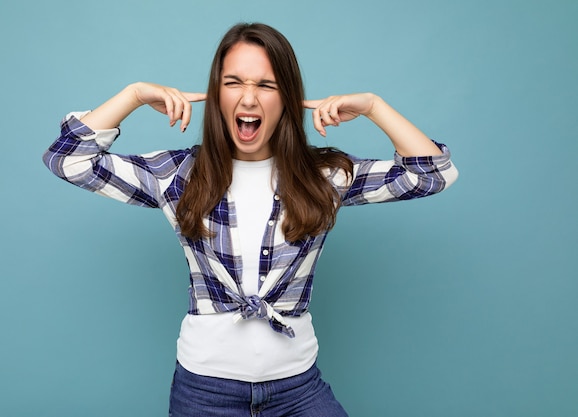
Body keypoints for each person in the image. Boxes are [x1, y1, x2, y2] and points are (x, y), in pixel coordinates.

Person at [43, 22, 458, 417]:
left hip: (298, 389)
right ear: (216, 94)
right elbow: (67, 158)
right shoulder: (177, 176)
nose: (248, 98)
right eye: (234, 82)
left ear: (288, 98)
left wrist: (372, 106)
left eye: (266, 84)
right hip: (204, 392)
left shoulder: (326, 177)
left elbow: (433, 174)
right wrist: (133, 95)